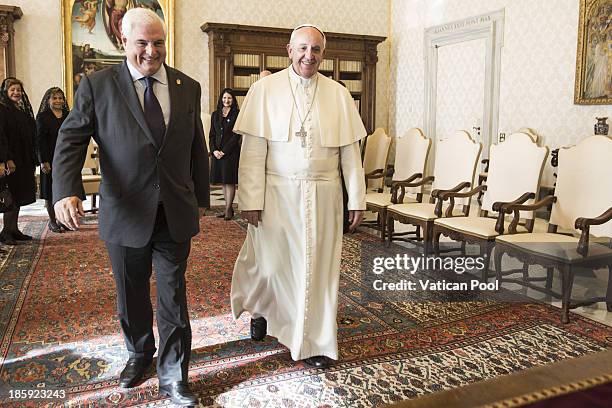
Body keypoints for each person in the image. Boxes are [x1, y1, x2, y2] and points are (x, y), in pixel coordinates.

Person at [53, 8, 209, 406]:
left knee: (173, 295)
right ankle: (139, 353)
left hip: (173, 210)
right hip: (124, 212)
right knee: (131, 292)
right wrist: (64, 190)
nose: (151, 51)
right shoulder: (97, 86)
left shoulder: (187, 86)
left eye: (158, 42)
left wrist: (201, 200)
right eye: (142, 43)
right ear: (125, 42)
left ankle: (174, 374)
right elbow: (71, 139)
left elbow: (196, 148)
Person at [230, 24, 366, 369]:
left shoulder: (338, 94)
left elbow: (351, 153)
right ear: (288, 50)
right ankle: (262, 308)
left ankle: (315, 342)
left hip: (325, 194)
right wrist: (250, 199)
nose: (310, 56)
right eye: (303, 48)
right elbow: (252, 152)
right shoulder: (264, 89)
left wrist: (357, 199)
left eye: (316, 49)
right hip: (277, 193)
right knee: (273, 265)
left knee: (318, 271)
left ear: (323, 53)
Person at [0, 78, 37, 245]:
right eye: (12, 89)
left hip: (23, 160)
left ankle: (14, 229)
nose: (16, 92)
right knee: (11, 196)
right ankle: (6, 232)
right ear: (5, 91)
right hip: (11, 159)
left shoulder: (20, 110)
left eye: (19, 90)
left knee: (20, 195)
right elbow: (1, 137)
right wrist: (7, 159)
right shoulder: (2, 109)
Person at [35, 87, 70, 233]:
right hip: (49, 159)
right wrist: (43, 161)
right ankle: (52, 221)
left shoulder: (69, 115)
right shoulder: (42, 117)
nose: (58, 101)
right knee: (50, 191)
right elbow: (39, 140)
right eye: (54, 98)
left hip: (66, 158)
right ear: (48, 100)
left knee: (65, 189)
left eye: (60, 98)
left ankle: (63, 219)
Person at [209, 88, 240, 220]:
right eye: (224, 98)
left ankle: (228, 209)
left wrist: (224, 151)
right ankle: (227, 208)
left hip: (230, 153)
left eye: (229, 98)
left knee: (229, 181)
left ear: (233, 100)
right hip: (217, 153)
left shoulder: (237, 114)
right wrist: (214, 150)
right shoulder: (215, 114)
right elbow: (212, 135)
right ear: (221, 99)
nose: (226, 100)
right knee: (223, 181)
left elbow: (236, 135)